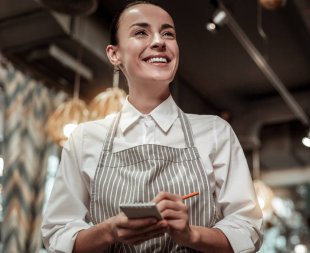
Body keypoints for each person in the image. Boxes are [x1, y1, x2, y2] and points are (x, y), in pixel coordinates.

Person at [41, 1, 263, 252]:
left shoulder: (215, 132)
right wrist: (109, 230)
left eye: (168, 33)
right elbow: (57, 236)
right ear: (114, 54)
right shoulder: (84, 138)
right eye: (140, 32)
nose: (159, 41)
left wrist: (191, 235)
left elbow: (248, 230)